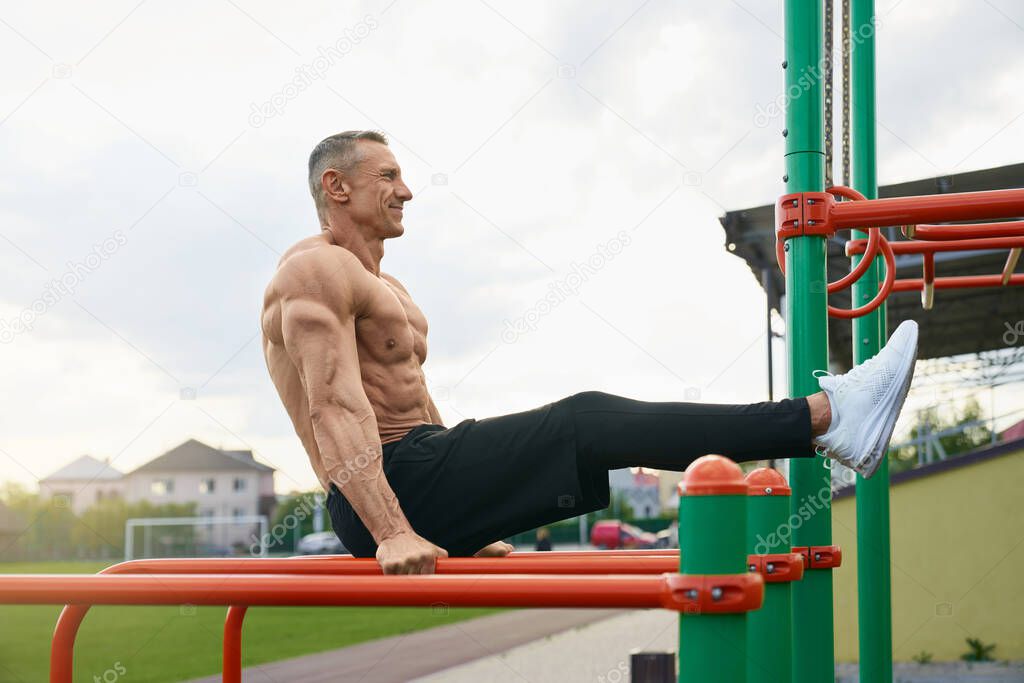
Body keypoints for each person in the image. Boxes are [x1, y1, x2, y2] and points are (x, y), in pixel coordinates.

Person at [260, 131, 919, 575]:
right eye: (388, 176)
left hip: (416, 479)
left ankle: (825, 421)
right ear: (337, 188)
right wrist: (392, 530)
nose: (406, 190)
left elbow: (415, 407)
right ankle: (823, 418)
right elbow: (335, 407)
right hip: (377, 489)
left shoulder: (387, 288)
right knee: (586, 419)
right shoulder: (312, 272)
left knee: (585, 420)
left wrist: (476, 515)